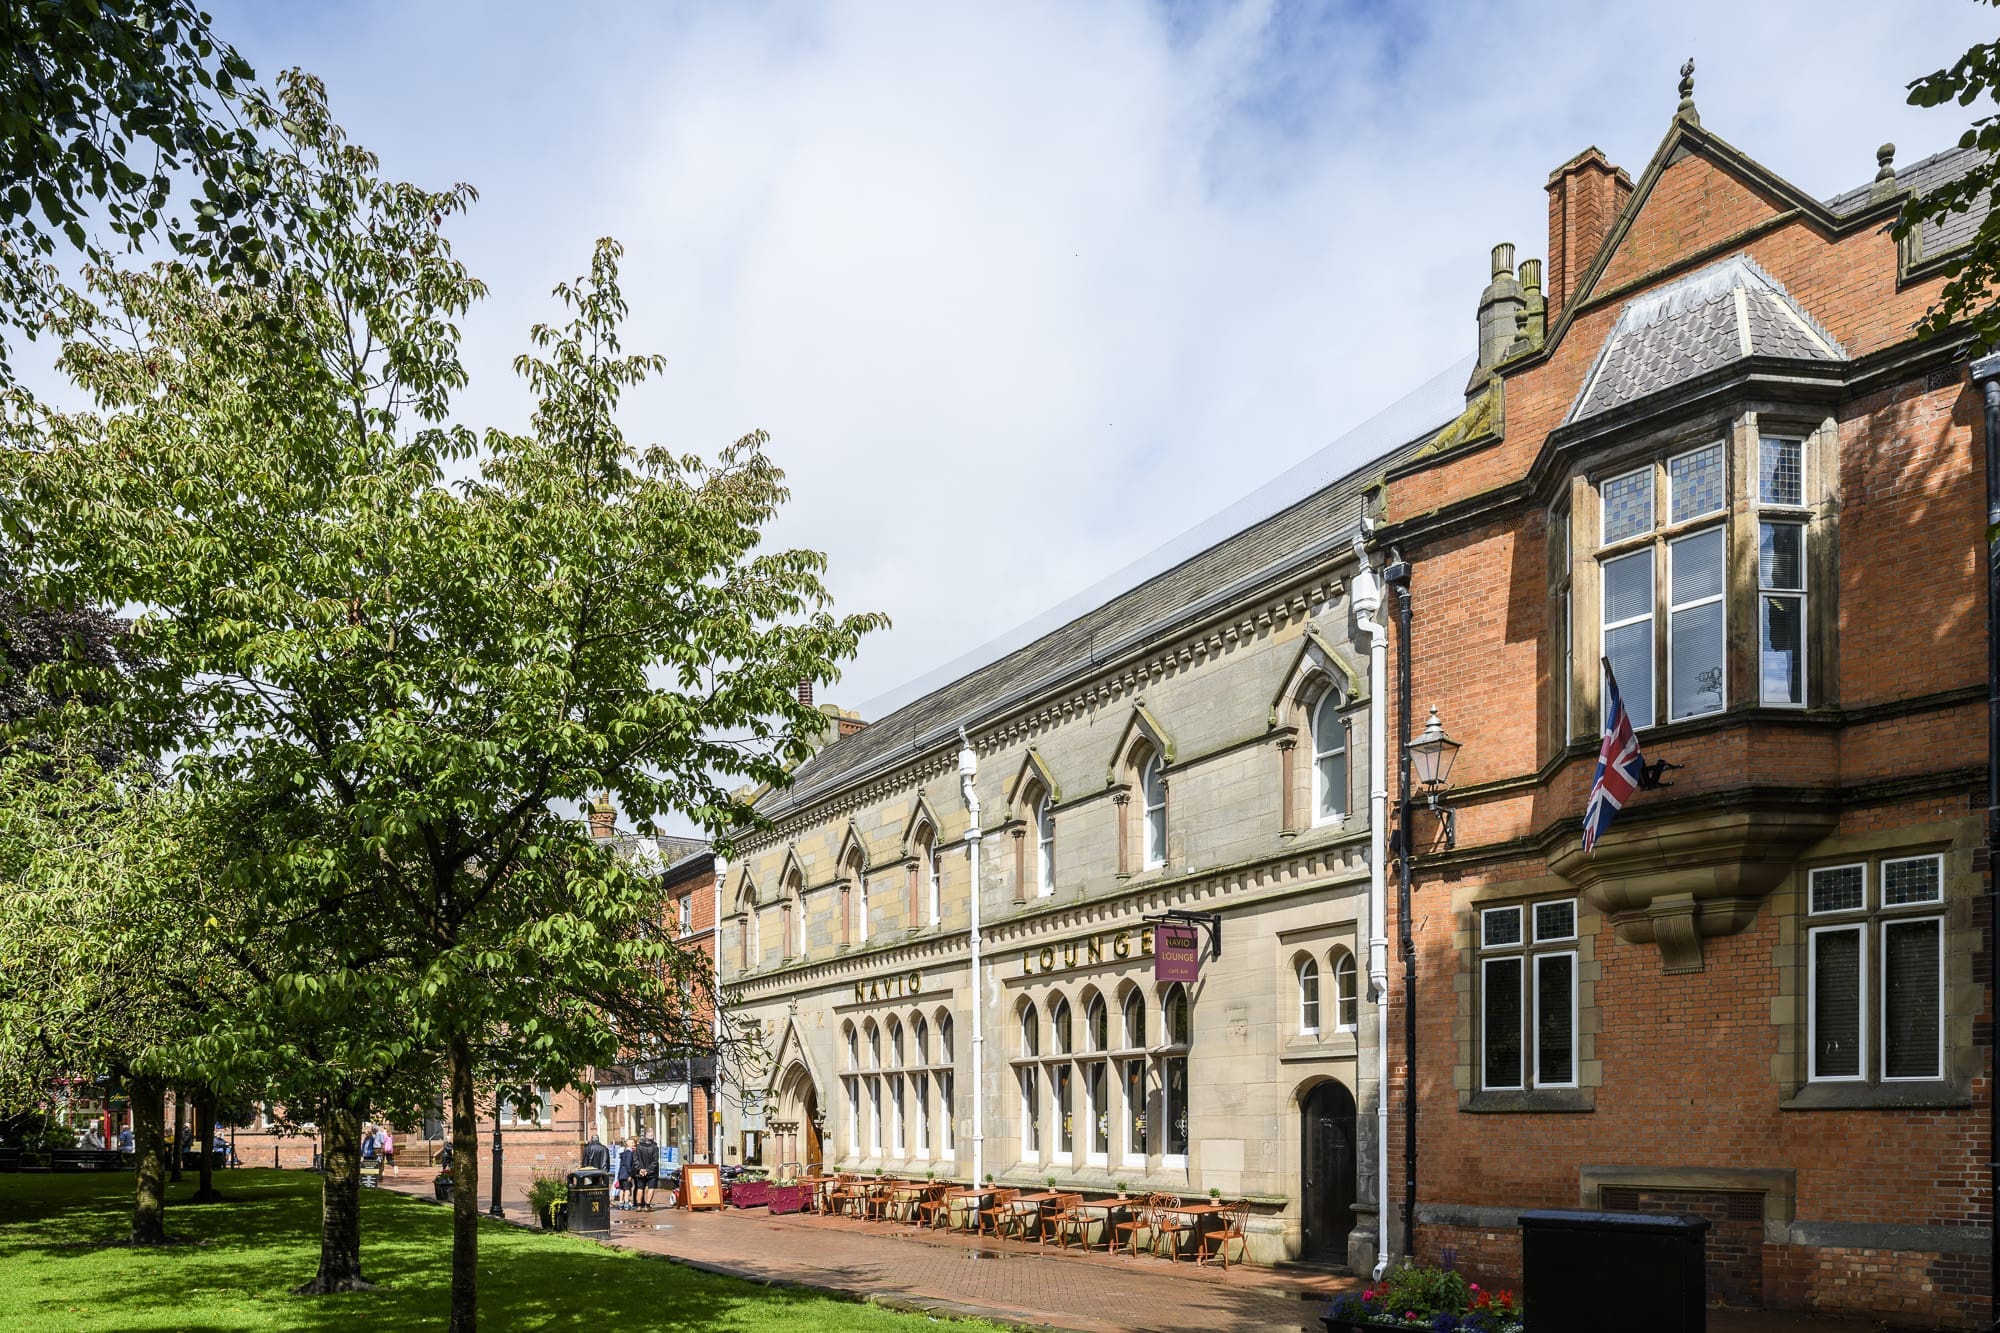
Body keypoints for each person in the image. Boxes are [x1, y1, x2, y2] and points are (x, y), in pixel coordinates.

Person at [633, 1134, 660, 1212]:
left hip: (641, 1172)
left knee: (640, 1188)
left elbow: (635, 1159)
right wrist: (648, 1170)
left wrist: (640, 1169)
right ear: (653, 1139)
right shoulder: (655, 1148)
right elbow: (655, 1161)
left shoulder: (639, 1147)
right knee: (651, 1188)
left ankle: (638, 1206)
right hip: (652, 1172)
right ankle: (647, 1206)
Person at [615, 1137, 636, 1210]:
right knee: (627, 1189)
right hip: (626, 1174)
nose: (634, 1144)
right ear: (628, 1144)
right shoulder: (629, 1153)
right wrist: (630, 1174)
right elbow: (628, 1163)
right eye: (632, 1143)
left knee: (622, 1189)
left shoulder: (623, 1153)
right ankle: (626, 1203)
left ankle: (621, 1203)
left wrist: (618, 1176)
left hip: (621, 1174)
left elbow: (621, 1165)